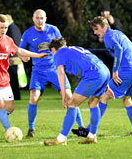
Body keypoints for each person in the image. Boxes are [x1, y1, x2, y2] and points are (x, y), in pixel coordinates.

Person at [72, 16, 132, 137]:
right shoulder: (116, 33)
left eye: (97, 29)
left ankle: (89, 130)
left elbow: (119, 50)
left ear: (105, 26)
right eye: (94, 30)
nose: (95, 32)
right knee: (126, 99)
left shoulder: (108, 37)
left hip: (127, 70)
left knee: (103, 96)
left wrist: (115, 71)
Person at [19, 9, 84, 138]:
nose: (39, 20)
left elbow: (62, 46)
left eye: (42, 18)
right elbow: (20, 50)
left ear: (46, 18)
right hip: (38, 71)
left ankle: (81, 127)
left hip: (55, 69)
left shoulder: (53, 30)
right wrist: (23, 57)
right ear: (33, 19)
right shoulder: (28, 34)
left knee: (70, 97)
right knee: (33, 97)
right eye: (37, 18)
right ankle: (31, 129)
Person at [44, 38, 115, 146]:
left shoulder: (59, 53)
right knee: (92, 103)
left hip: (93, 75)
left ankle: (61, 139)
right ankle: (91, 136)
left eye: (52, 51)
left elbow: (61, 73)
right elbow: (93, 60)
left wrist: (63, 93)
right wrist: (105, 84)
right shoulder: (76, 48)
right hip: (104, 71)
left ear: (53, 49)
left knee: (72, 103)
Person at [6, 14, 22, 100]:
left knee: (13, 78)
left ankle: (16, 96)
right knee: (13, 77)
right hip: (15, 56)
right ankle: (15, 95)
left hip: (12, 57)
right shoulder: (15, 28)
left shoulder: (11, 30)